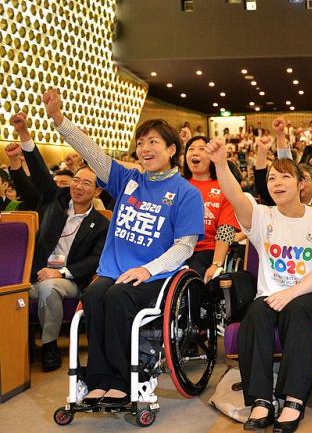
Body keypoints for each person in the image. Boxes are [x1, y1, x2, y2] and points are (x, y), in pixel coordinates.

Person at [43, 89, 205, 407]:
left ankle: (122, 381)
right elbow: (93, 153)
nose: (144, 148)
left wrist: (148, 269)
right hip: (114, 270)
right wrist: (59, 120)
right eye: (141, 142)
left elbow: (185, 246)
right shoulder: (128, 180)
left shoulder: (187, 193)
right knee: (93, 295)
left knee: (117, 298)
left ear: (172, 149)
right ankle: (100, 380)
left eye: (153, 142)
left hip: (157, 277)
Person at [206, 137, 312, 433]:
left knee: (296, 311)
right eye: (271, 178)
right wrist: (219, 163)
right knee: (256, 312)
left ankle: (293, 399)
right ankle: (261, 400)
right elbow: (235, 196)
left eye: (285, 177)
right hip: (271, 295)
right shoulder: (262, 216)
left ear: (300, 183)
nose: (277, 183)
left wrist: (291, 293)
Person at [7, 112, 109, 372]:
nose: (78, 186)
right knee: (12, 293)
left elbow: (95, 260)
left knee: (50, 288)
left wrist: (60, 271)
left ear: (97, 192)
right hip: (35, 274)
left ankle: (50, 345)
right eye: (76, 180)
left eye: (87, 183)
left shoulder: (101, 223)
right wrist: (24, 133)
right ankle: (13, 350)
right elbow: (39, 171)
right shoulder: (56, 199)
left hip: (71, 280)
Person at [182, 136, 240, 282]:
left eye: (202, 149)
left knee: (189, 277)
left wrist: (216, 264)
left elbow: (225, 230)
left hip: (206, 251)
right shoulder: (178, 185)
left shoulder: (223, 187)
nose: (195, 153)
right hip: (177, 249)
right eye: (191, 149)